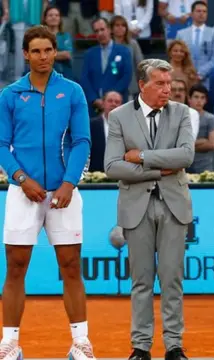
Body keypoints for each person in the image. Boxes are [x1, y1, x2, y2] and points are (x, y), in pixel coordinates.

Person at [0, 25, 94, 360]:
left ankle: (81, 343)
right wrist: (22, 178)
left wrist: (69, 183)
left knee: (70, 265)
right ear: (25, 54)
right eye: (36, 51)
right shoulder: (10, 95)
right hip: (21, 192)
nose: (43, 57)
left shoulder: (72, 92)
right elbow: (1, 144)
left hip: (64, 193)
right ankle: (9, 344)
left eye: (48, 50)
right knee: (15, 266)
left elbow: (82, 141)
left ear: (56, 52)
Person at [103, 59, 195, 360]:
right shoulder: (118, 116)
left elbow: (185, 156)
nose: (167, 90)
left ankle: (174, 346)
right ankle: (141, 347)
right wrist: (158, 169)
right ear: (142, 85)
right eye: (160, 83)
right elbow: (113, 166)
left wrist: (141, 156)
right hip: (136, 207)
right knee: (140, 280)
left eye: (169, 83)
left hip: (174, 205)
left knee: (172, 279)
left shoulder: (182, 112)